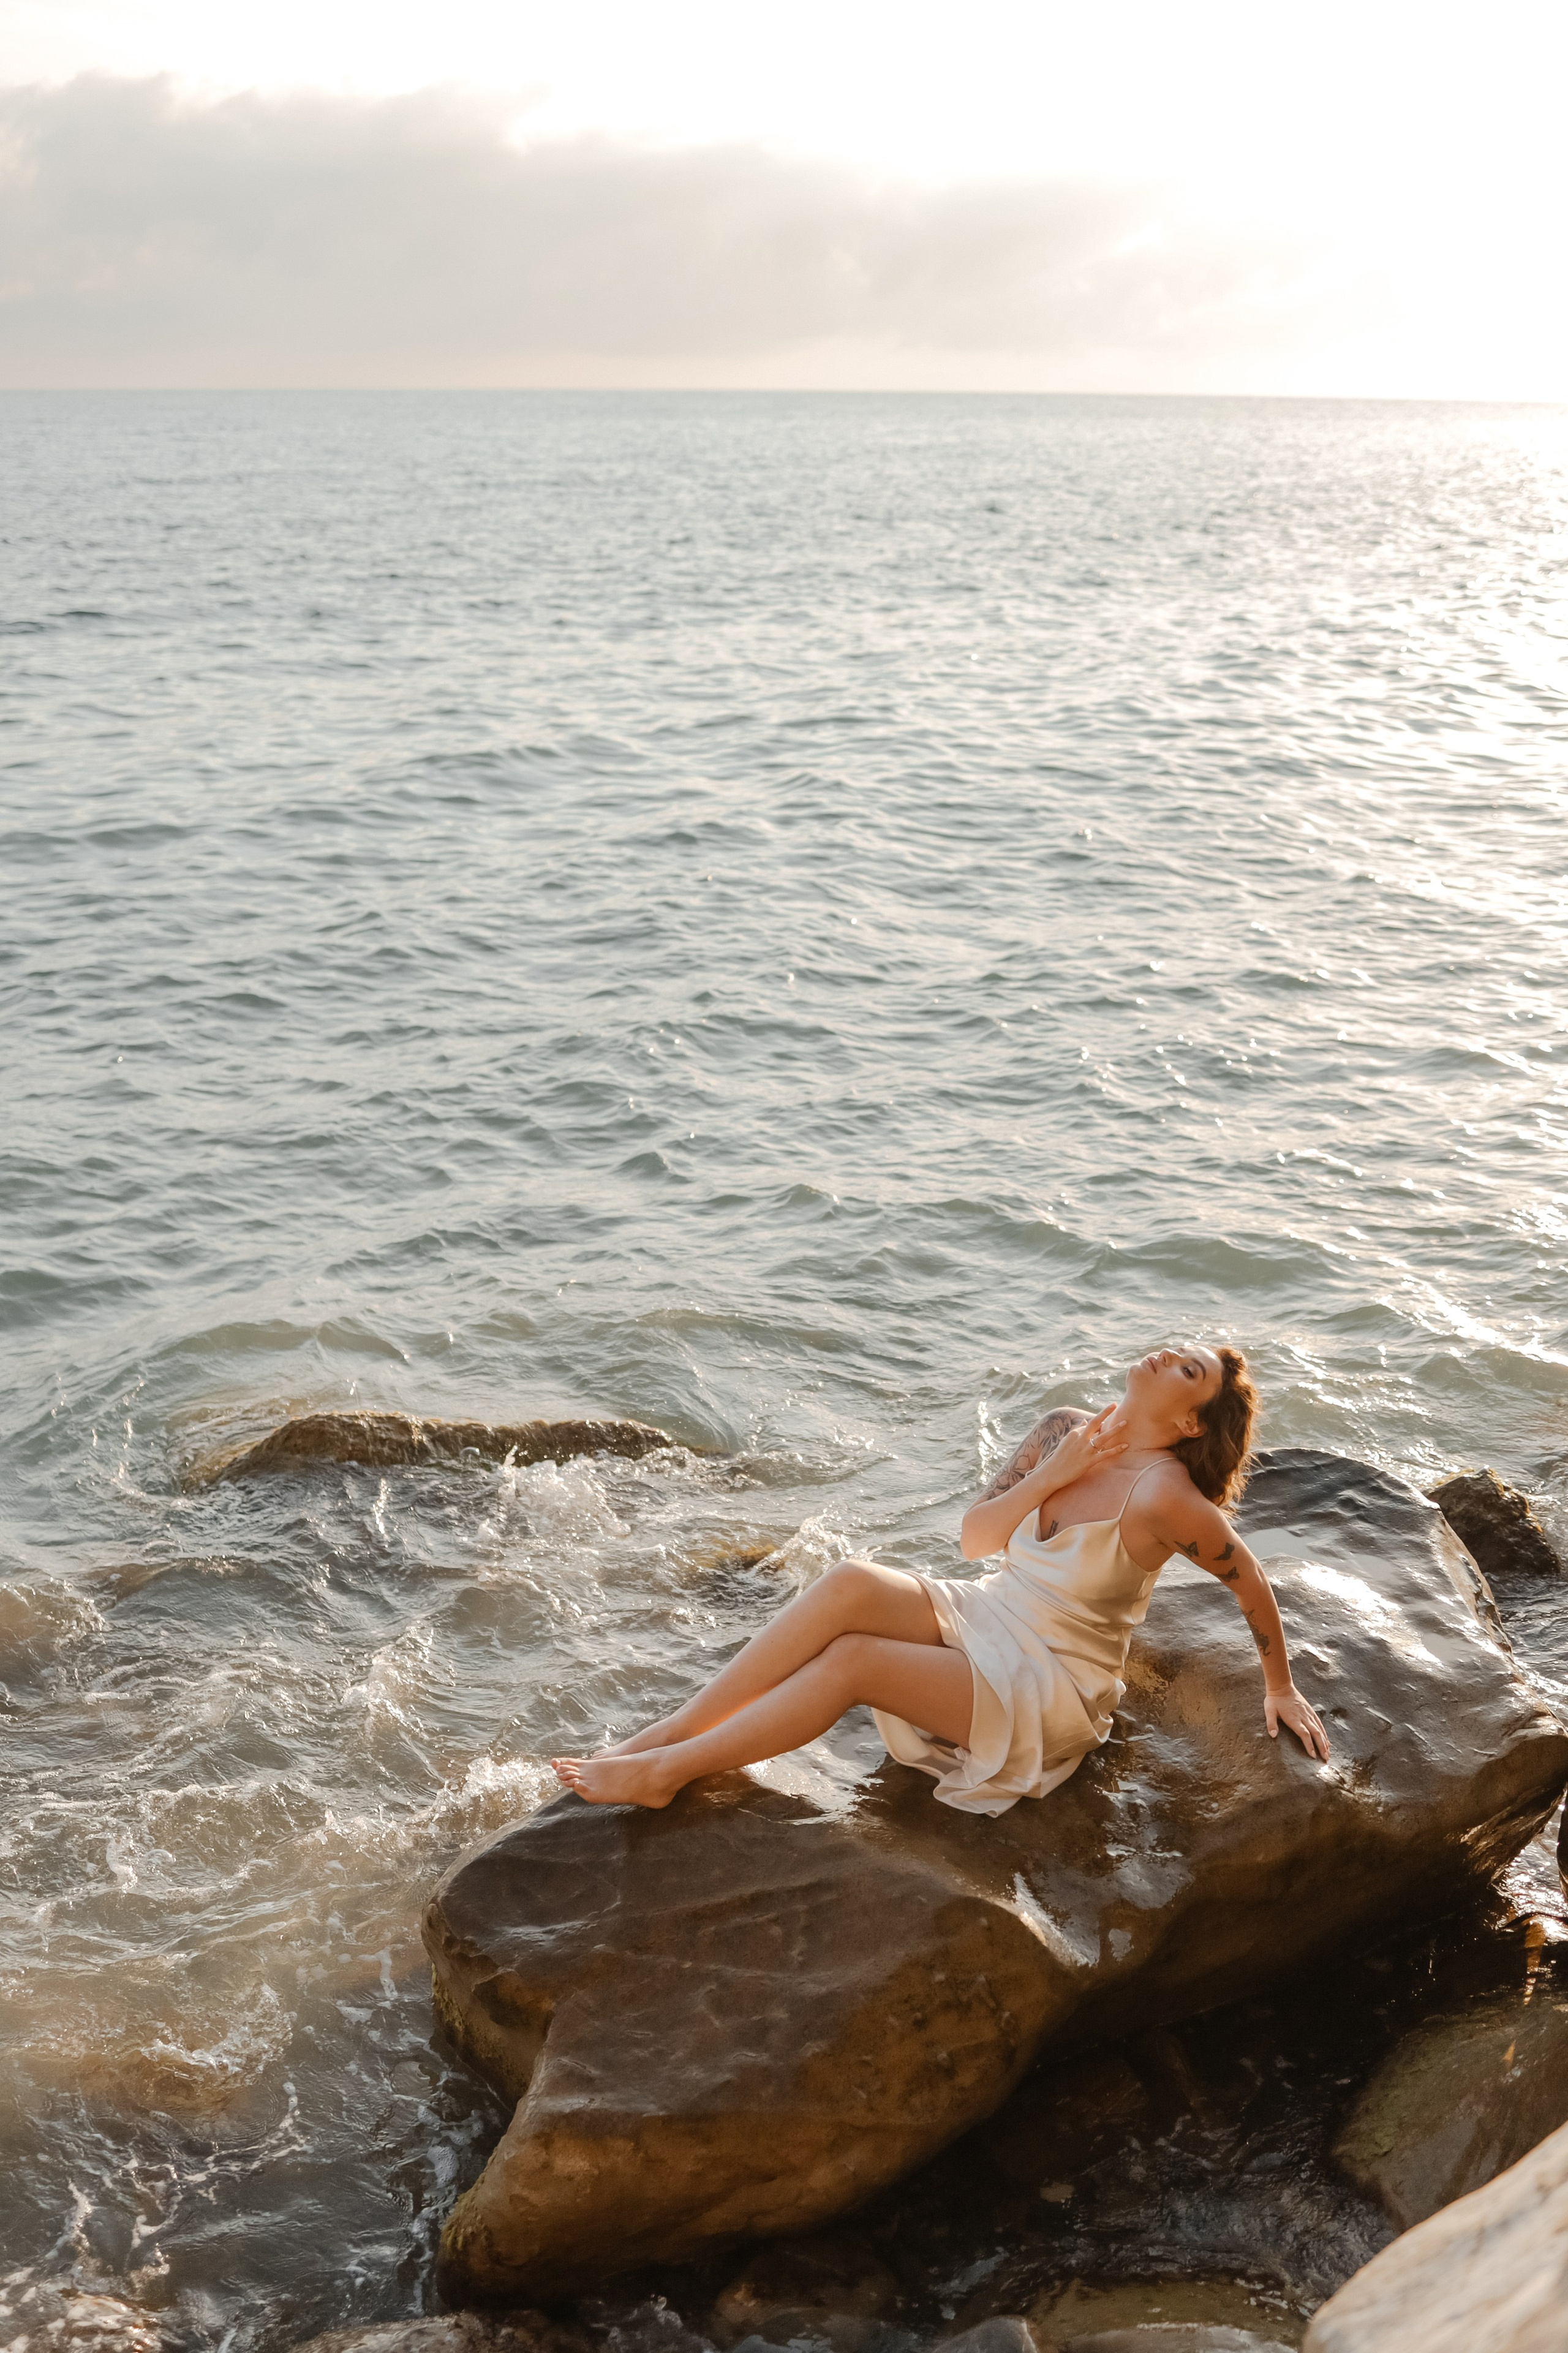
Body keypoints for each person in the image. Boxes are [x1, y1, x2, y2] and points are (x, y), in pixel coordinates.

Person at [550, 1343, 1330, 1815]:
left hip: (1051, 1680)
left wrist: (1279, 1686)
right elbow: (973, 1539)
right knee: (850, 1581)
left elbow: (1248, 1579)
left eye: (1186, 1368)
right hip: (991, 1612)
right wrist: (1050, 1474)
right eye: (1174, 1348)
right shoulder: (1064, 1428)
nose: (1165, 1354)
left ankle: (664, 1773)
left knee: (853, 1661)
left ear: (1191, 1422)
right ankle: (664, 1733)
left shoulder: (1165, 1496)